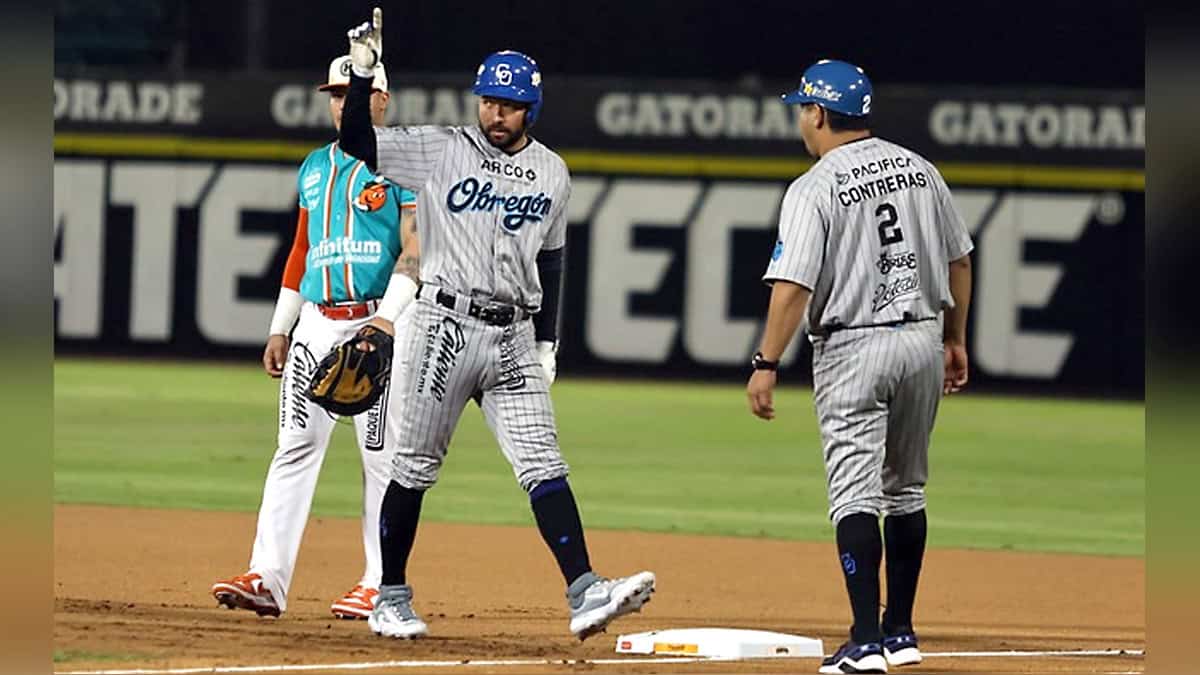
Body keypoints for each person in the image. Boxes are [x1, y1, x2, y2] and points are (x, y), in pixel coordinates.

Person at [335, 9, 655, 640]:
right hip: (444, 325)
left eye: (509, 105)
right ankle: (390, 596)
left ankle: (585, 589)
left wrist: (548, 342)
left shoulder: (553, 171)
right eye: (489, 101)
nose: (495, 114)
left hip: (512, 333)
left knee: (544, 462)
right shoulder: (442, 147)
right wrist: (364, 74)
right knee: (413, 467)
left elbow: (554, 257)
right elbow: (357, 145)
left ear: (530, 109)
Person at [745, 59, 973, 675]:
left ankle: (865, 640)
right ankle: (901, 632)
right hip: (923, 339)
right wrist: (955, 338)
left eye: (802, 108)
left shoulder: (815, 186)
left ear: (818, 113)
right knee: (906, 490)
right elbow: (959, 261)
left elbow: (792, 285)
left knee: (854, 493)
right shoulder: (920, 170)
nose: (801, 118)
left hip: (853, 346)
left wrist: (767, 361)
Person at [211, 54, 420, 621]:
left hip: (379, 320)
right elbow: (302, 251)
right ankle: (267, 576)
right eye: (334, 94)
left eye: (351, 94)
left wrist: (389, 322)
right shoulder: (313, 166)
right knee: (294, 447)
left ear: (382, 99)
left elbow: (417, 251)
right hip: (317, 322)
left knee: (381, 456)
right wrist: (282, 325)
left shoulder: (404, 165)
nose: (340, 104)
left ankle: (380, 582)